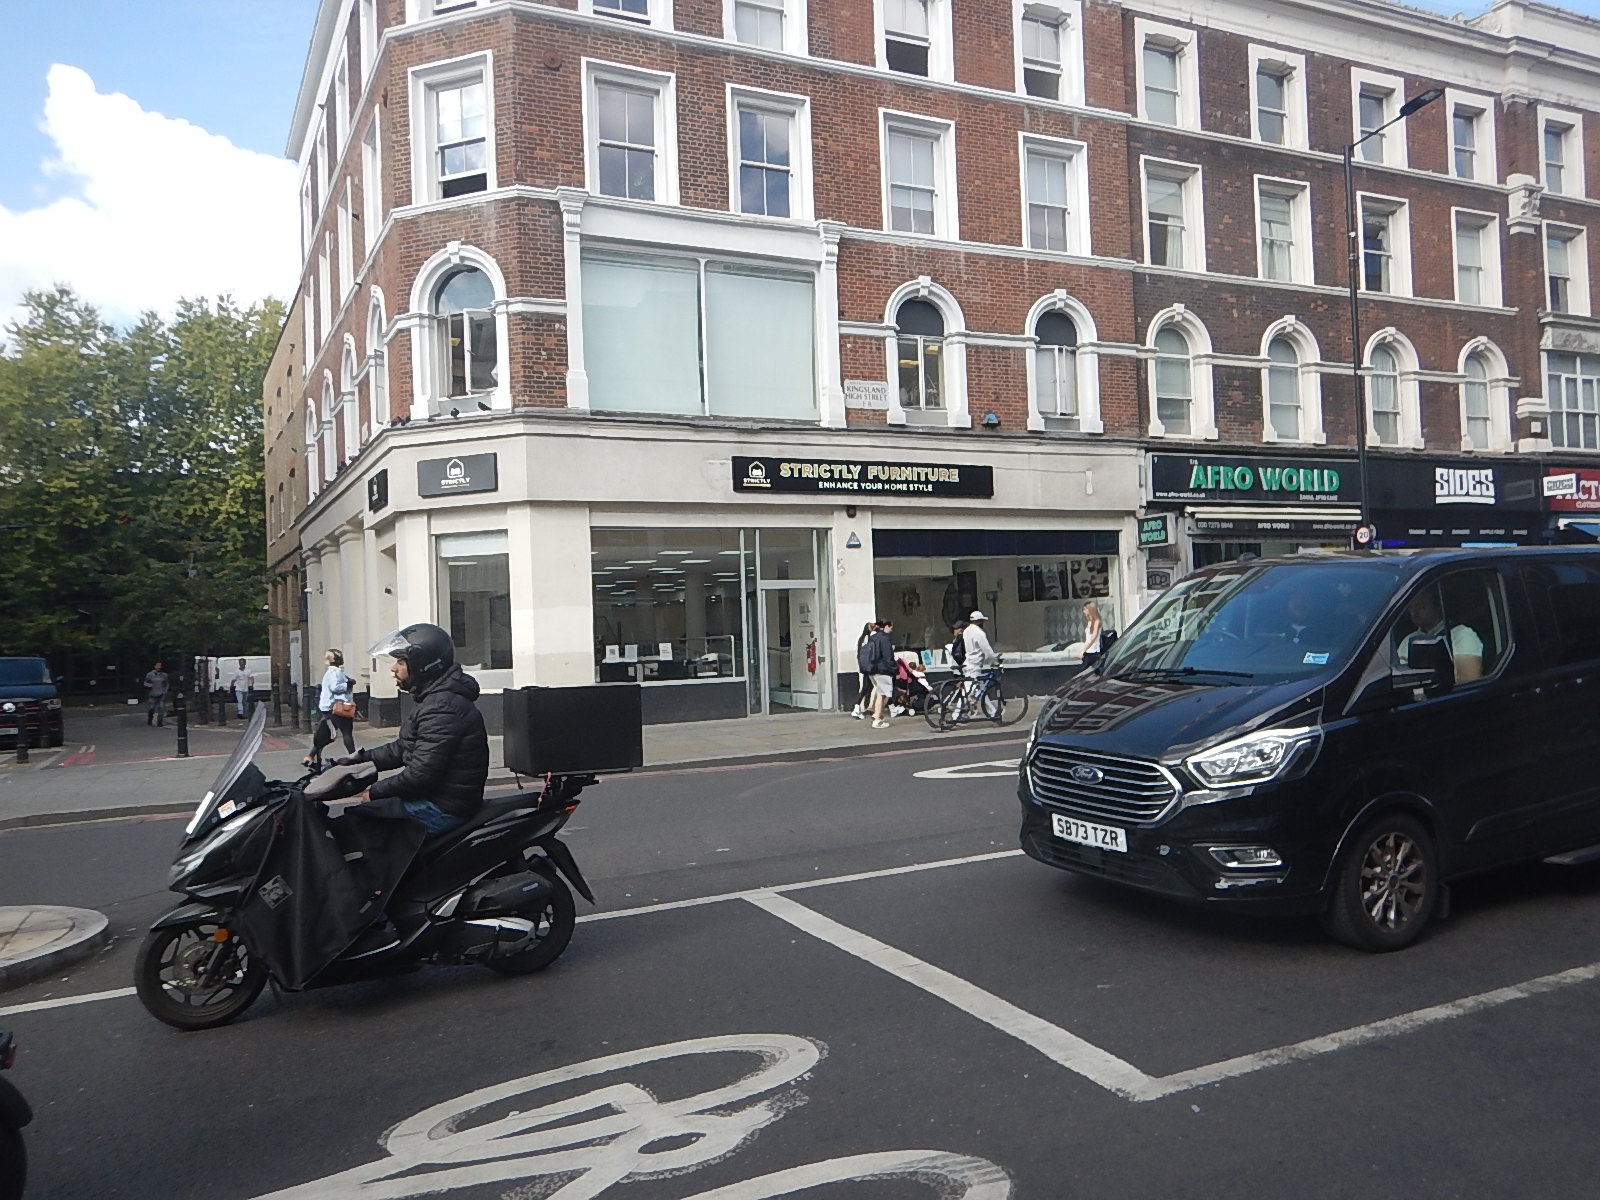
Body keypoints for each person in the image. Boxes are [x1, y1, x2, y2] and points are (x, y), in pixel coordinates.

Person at [336, 623, 489, 837]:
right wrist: (358, 760)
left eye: (400, 661)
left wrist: (375, 792)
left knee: (360, 827)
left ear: (423, 666)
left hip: (444, 807)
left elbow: (420, 774)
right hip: (437, 796)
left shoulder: (442, 707)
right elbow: (403, 748)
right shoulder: (435, 699)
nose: (393, 668)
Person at [1399, 586, 1484, 683]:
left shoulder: (1462, 635)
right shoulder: (1407, 640)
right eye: (1410, 608)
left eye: (1421, 607)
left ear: (1438, 605)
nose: (1414, 613)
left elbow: (1468, 680)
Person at [306, 649, 357, 767]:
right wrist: (349, 684)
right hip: (337, 707)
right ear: (337, 660)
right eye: (340, 657)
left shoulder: (331, 672)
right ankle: (354, 757)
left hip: (329, 707)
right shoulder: (335, 672)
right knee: (347, 732)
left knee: (326, 733)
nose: (342, 659)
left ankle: (311, 756)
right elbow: (335, 687)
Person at [861, 618, 897, 729]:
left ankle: (877, 714)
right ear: (886, 626)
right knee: (884, 694)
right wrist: (894, 668)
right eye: (891, 627)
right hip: (883, 669)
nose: (891, 630)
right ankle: (877, 718)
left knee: (881, 693)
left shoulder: (872, 637)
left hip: (872, 669)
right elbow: (887, 656)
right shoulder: (885, 638)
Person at [849, 621, 878, 720]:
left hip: (864, 667)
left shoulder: (861, 639)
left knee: (867, 687)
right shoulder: (867, 639)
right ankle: (858, 707)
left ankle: (862, 707)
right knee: (866, 687)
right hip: (868, 667)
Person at [143, 661, 169, 727]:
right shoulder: (150, 674)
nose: (159, 667)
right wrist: (149, 685)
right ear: (154, 666)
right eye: (157, 666)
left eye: (160, 666)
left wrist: (165, 691)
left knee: (161, 707)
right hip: (152, 694)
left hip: (161, 693)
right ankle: (150, 719)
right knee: (151, 708)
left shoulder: (164, 675)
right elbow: (145, 683)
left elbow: (167, 684)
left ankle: (159, 722)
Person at [1081, 601, 1104, 667]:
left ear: (1090, 609)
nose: (1084, 611)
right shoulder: (1089, 622)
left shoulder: (1097, 622)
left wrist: (1083, 650)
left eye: (1085, 609)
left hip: (1094, 653)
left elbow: (1093, 638)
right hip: (1088, 652)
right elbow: (1088, 639)